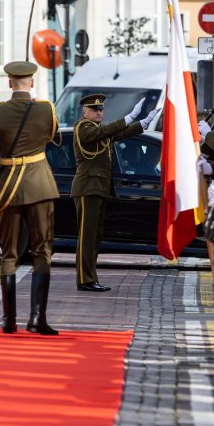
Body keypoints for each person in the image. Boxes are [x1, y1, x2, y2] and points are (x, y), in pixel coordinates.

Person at [0, 61, 59, 335]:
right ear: (32, 82)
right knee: (42, 251)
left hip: (8, 187)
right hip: (39, 185)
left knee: (9, 254)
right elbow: (52, 136)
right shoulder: (46, 109)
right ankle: (37, 318)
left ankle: (8, 320)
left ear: (10, 83)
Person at [71, 94, 159, 292]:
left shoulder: (100, 131)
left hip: (98, 188)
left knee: (94, 236)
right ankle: (85, 279)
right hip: (87, 188)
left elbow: (119, 134)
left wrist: (142, 123)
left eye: (101, 109)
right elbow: (106, 132)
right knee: (87, 236)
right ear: (85, 111)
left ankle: (90, 277)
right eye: (94, 110)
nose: (99, 112)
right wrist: (128, 117)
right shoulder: (82, 127)